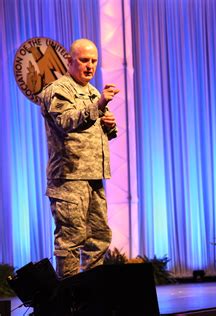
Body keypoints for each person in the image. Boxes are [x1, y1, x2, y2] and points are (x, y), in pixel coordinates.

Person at [39, 38, 120, 278]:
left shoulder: (93, 91)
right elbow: (66, 121)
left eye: (94, 61)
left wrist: (110, 125)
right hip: (68, 179)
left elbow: (97, 131)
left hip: (94, 177)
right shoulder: (57, 90)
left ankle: (93, 299)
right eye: (84, 60)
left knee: (99, 238)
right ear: (69, 61)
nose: (90, 66)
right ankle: (70, 303)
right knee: (71, 240)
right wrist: (100, 104)